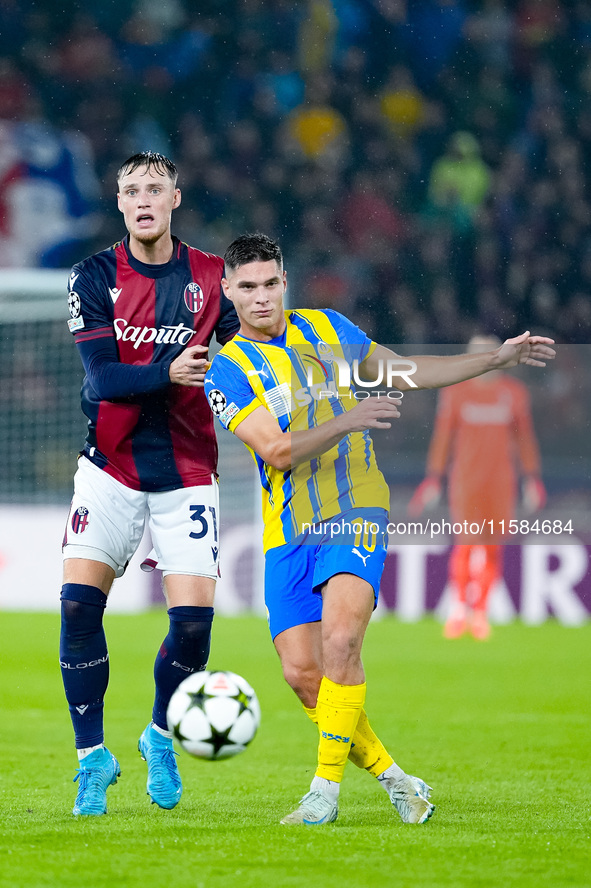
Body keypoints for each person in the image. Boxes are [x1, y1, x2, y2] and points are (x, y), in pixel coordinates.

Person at [203, 232, 555, 826]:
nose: (262, 297)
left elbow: (409, 371)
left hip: (356, 504)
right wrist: (348, 417)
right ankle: (396, 778)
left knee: (341, 641)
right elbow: (279, 451)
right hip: (287, 525)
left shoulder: (330, 330)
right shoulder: (227, 372)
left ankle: (323, 794)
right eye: (248, 287)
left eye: (270, 283)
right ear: (228, 290)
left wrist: (492, 361)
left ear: (284, 280)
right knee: (302, 673)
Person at [60, 151, 239, 816]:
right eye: (131, 189)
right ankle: (91, 759)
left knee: (193, 627)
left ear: (174, 199)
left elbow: (245, 355)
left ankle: (159, 735)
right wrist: (172, 372)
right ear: (119, 203)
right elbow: (103, 379)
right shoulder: (93, 276)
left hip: (186, 469)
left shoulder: (211, 278)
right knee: (78, 605)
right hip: (108, 465)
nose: (142, 198)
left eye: (154, 188)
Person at [408, 334, 546, 640]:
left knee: (493, 547)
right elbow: (443, 438)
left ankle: (481, 613)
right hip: (466, 481)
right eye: (477, 352)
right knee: (466, 544)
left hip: (501, 482)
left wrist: (532, 479)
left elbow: (525, 439)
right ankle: (459, 609)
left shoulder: (514, 393)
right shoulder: (457, 392)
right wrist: (434, 478)